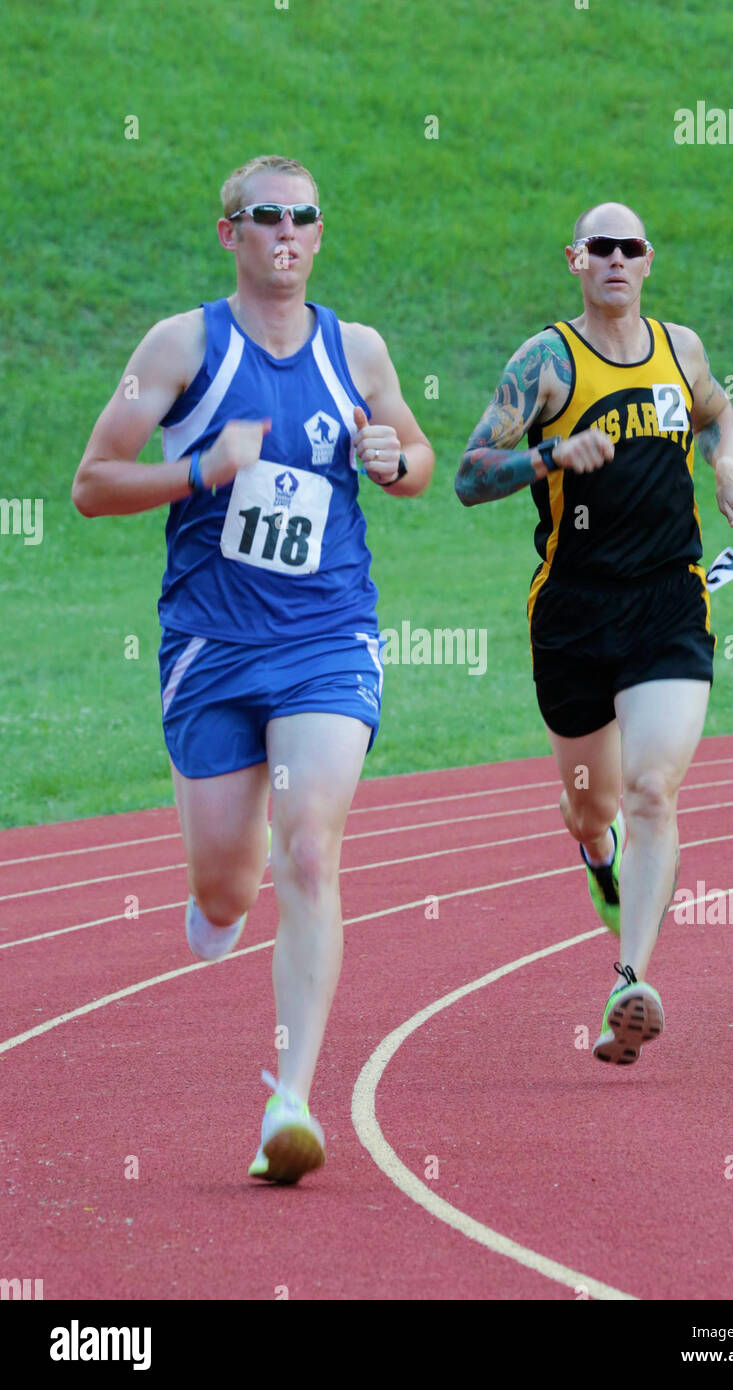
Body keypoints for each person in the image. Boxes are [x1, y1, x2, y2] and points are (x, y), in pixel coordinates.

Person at [72, 154, 434, 1179]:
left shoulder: (356, 351)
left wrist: (390, 462)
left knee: (309, 850)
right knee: (229, 885)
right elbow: (92, 483)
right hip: (211, 645)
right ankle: (215, 905)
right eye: (263, 215)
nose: (284, 230)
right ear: (228, 233)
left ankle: (289, 1102)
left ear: (319, 235)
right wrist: (201, 470)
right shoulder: (181, 345)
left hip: (327, 639)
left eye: (302, 216)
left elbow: (417, 460)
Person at [455, 201, 733, 1065]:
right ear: (576, 260)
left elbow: (712, 414)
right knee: (592, 809)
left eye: (631, 247)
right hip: (573, 617)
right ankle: (599, 857)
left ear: (649, 260)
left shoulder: (682, 349)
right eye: (601, 248)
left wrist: (730, 467)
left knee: (654, 788)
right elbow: (470, 476)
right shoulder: (546, 361)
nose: (617, 260)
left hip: (669, 601)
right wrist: (551, 456)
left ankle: (630, 981)